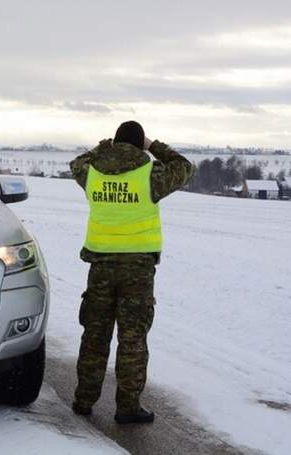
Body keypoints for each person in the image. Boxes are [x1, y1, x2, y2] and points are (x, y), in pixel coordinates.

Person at [69, 121, 193, 424]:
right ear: (139, 145)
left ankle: (84, 400)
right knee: (133, 339)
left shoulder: (92, 173)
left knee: (95, 336)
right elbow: (184, 166)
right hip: (137, 272)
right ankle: (127, 407)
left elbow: (76, 163)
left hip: (100, 269)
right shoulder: (151, 175)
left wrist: (102, 147)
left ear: (115, 142)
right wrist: (154, 147)